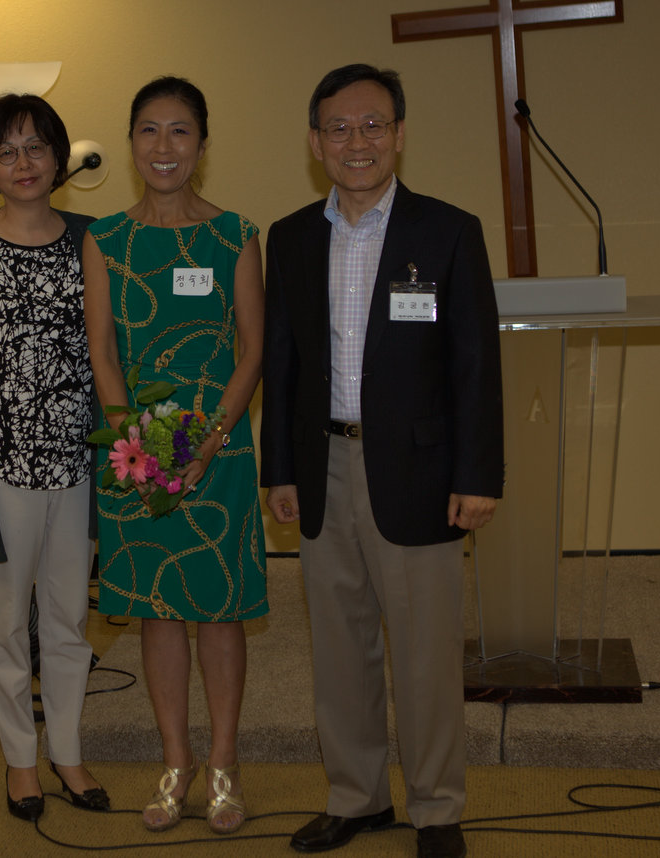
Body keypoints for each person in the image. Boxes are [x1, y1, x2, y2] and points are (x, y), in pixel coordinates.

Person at [260, 64, 504, 858]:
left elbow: (475, 362)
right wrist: (279, 468)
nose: (356, 141)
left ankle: (436, 809)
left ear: (399, 134)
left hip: (421, 474)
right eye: (339, 127)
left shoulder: (448, 230)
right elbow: (282, 362)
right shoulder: (293, 236)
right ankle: (357, 797)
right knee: (339, 649)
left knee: (426, 658)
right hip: (322, 466)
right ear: (315, 141)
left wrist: (477, 476)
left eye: (373, 125)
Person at [83, 76, 266, 835]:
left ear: (203, 143)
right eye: (149, 130)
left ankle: (223, 765)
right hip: (137, 451)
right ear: (131, 142)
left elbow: (253, 349)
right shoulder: (105, 240)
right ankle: (175, 763)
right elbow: (102, 352)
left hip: (220, 445)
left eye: (181, 130)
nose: (164, 146)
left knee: (218, 608)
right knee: (158, 611)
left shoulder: (235, 235)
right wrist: (140, 445)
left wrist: (209, 440)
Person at [0, 94, 108, 823]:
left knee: (69, 617)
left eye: (36, 147)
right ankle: (20, 761)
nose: (23, 163)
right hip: (2, 462)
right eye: (5, 151)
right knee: (4, 622)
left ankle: (67, 751)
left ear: (59, 157)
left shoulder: (95, 239)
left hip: (79, 462)